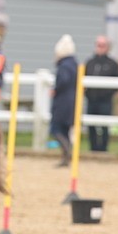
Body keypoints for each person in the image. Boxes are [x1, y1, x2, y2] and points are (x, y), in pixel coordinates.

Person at [84, 35, 118, 152]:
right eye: (98, 45)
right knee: (91, 126)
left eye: (102, 45)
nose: (100, 47)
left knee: (104, 126)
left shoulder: (112, 64)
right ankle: (93, 148)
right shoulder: (89, 62)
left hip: (105, 101)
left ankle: (103, 149)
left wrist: (108, 93)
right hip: (91, 100)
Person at [49, 34, 79, 167]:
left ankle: (67, 152)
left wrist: (56, 89)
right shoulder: (74, 64)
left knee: (56, 129)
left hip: (63, 102)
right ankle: (66, 156)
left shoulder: (65, 66)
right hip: (72, 101)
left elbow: (63, 80)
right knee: (65, 130)